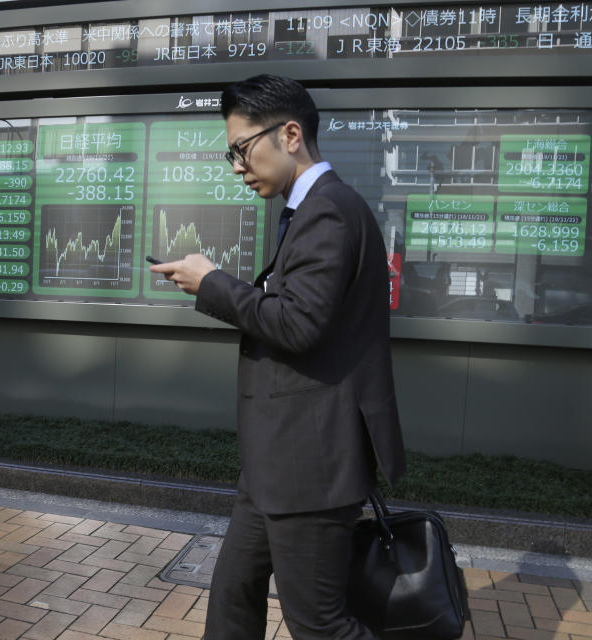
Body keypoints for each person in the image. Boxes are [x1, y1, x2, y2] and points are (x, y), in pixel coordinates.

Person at [149, 74, 405, 640]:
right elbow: (299, 310)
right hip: (278, 461)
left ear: (290, 134)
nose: (236, 166)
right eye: (231, 153)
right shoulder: (311, 208)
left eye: (241, 149)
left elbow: (297, 323)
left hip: (310, 466)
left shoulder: (329, 210)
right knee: (234, 597)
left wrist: (213, 283)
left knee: (319, 625)